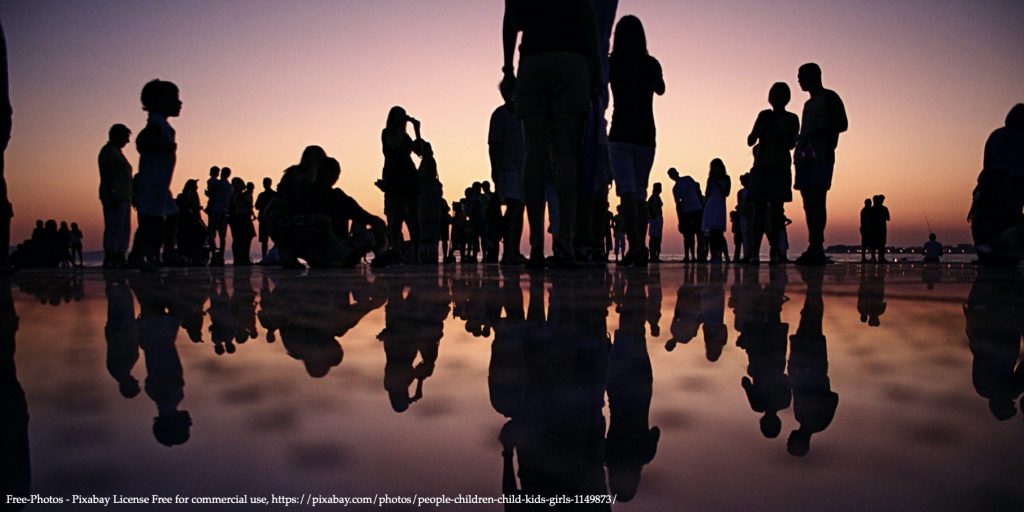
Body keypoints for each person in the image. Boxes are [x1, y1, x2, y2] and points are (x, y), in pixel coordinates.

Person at [502, 0, 601, 268]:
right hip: (571, 59)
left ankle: (536, 245)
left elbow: (511, 18)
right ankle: (565, 244)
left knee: (533, 152)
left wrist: (508, 69)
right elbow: (588, 18)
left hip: (534, 59)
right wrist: (596, 68)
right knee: (567, 154)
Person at [608, 15, 665, 268]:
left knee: (628, 195)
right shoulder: (650, 64)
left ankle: (636, 249)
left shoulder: (613, 63)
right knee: (639, 195)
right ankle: (638, 248)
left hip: (621, 133)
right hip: (645, 135)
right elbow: (661, 88)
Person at [793, 63, 847, 266]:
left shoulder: (829, 98)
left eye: (801, 76)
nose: (799, 80)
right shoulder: (807, 105)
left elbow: (842, 123)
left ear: (814, 76)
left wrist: (818, 132)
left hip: (822, 156)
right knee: (808, 203)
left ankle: (817, 246)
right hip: (804, 158)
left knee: (818, 199)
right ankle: (813, 244)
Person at [747, 82, 800, 264]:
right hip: (762, 168)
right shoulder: (764, 115)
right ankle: (754, 253)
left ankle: (775, 252)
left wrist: (778, 132)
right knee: (759, 211)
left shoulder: (792, 119)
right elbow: (750, 139)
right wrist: (761, 130)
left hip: (779, 168)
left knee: (777, 212)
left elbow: (791, 144)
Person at [133, 79, 182, 271]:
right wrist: (162, 147)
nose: (180, 103)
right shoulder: (156, 124)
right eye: (175, 99)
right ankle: (139, 255)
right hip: (153, 183)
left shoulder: (162, 125)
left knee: (172, 216)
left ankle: (168, 251)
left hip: (161, 184)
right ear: (160, 102)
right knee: (150, 221)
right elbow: (141, 142)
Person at [970, 104, 1024, 265]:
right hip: (1016, 181)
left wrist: (982, 186)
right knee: (1011, 215)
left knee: (988, 216)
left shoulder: (996, 135)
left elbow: (987, 164)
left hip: (995, 179)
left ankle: (990, 251)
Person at [488, 80, 526, 265]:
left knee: (519, 209)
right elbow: (493, 145)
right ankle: (509, 250)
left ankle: (513, 250)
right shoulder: (500, 115)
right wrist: (495, 169)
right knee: (514, 207)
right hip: (507, 169)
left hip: (523, 169)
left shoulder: (524, 114)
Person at [379, 106, 424, 262]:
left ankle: (416, 254)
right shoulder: (387, 134)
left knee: (413, 218)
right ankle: (396, 252)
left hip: (409, 176)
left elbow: (420, 152)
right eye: (400, 116)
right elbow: (394, 146)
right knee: (396, 217)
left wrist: (417, 130)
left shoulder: (406, 136)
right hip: (394, 177)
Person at [98, 123, 133, 268]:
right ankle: (111, 257)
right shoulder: (108, 152)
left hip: (124, 196)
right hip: (115, 196)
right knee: (114, 227)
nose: (127, 141)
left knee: (124, 228)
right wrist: (111, 195)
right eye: (125, 137)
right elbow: (107, 175)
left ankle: (119, 256)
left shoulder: (117, 152)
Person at [669, 168, 702, 262]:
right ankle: (690, 256)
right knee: (690, 235)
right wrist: (680, 219)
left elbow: (697, 190)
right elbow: (678, 204)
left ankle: (696, 256)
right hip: (688, 211)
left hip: (694, 210)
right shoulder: (677, 187)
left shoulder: (687, 179)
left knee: (696, 234)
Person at [702, 159, 731, 263]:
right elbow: (707, 192)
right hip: (710, 204)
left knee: (718, 232)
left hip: (719, 204)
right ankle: (714, 255)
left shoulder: (727, 178)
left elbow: (726, 193)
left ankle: (725, 256)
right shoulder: (710, 179)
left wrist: (718, 183)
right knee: (711, 232)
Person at [228, 177, 254, 265]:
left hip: (243, 217)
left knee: (245, 237)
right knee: (239, 238)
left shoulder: (240, 195)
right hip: (239, 218)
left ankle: (243, 257)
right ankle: (240, 258)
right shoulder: (236, 195)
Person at [254, 177, 276, 260]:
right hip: (264, 219)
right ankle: (265, 257)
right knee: (264, 240)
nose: (265, 185)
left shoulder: (273, 194)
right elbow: (257, 206)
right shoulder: (262, 195)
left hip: (272, 219)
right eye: (264, 183)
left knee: (273, 239)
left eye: (266, 183)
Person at [647, 182, 664, 262]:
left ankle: (655, 256)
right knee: (654, 238)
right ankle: (653, 256)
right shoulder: (654, 197)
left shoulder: (656, 197)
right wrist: (653, 216)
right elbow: (650, 207)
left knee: (656, 238)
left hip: (657, 219)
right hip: (655, 219)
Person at [870, 195, 890, 263]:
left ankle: (876, 258)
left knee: (877, 244)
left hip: (876, 229)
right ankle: (879, 258)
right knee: (880, 244)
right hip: (879, 229)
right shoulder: (884, 208)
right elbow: (888, 218)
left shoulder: (872, 209)